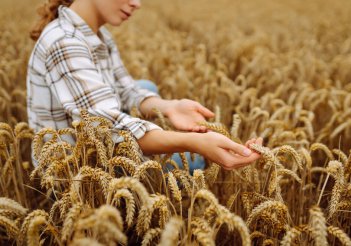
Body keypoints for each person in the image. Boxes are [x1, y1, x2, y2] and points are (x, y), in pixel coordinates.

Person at [27, 0, 263, 171]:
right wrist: (196, 144)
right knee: (190, 160)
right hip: (76, 172)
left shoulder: (98, 34)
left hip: (94, 140)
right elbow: (106, 127)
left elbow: (127, 89)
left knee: (146, 87)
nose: (137, 3)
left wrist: (170, 107)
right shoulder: (65, 42)